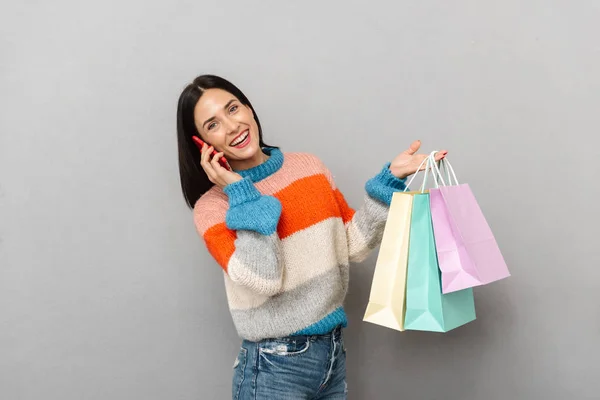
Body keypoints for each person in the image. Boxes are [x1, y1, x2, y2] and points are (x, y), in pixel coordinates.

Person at [176, 74, 447, 400]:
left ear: (248, 108)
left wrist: (390, 180)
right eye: (213, 125)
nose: (232, 126)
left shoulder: (308, 167)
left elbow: (352, 245)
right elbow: (263, 279)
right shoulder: (212, 208)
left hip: (331, 356)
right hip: (273, 367)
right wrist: (241, 192)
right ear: (201, 144)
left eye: (233, 109)